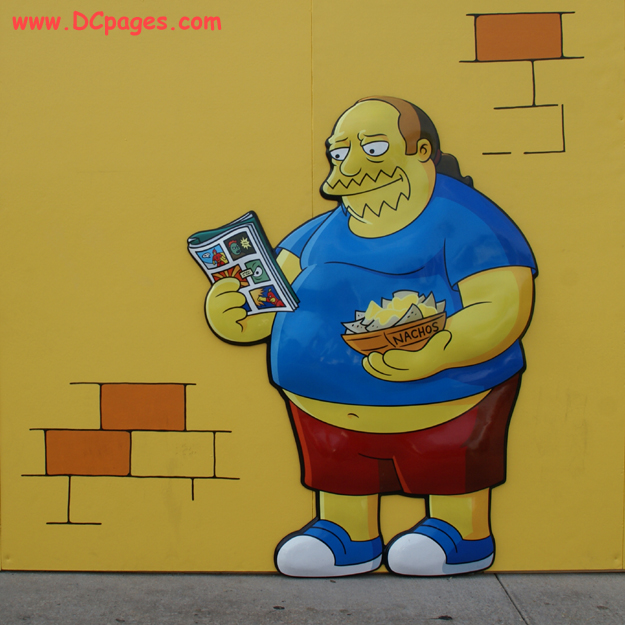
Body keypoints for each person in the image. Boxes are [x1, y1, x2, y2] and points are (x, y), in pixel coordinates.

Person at [205, 96, 537, 577]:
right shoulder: (317, 233)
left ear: (421, 151)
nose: (351, 165)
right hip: (323, 409)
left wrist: (440, 352)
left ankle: (460, 532)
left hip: (447, 402)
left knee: (447, 462)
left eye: (374, 147)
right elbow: (271, 300)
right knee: (343, 471)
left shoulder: (467, 220)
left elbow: (502, 303)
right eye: (340, 152)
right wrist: (234, 315)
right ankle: (346, 535)